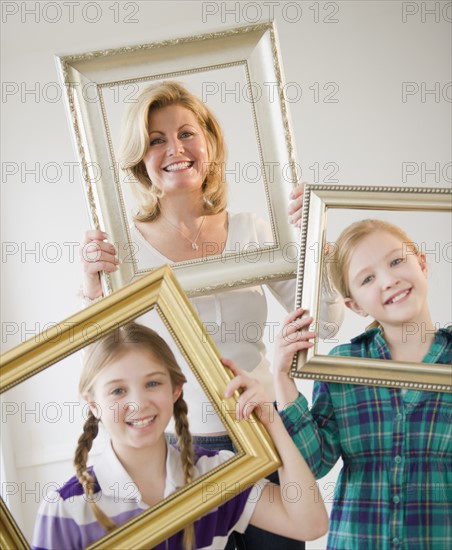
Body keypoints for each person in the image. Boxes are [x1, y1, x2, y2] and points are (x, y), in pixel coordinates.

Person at [80, 80, 344, 548]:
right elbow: (105, 359)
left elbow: (323, 323)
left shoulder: (252, 231)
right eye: (156, 140)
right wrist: (91, 285)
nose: (174, 149)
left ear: (209, 143)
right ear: (141, 159)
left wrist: (316, 246)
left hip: (264, 431)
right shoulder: (123, 250)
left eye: (186, 134)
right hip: (183, 448)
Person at [31, 322, 328, 550]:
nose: (138, 404)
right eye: (118, 390)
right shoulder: (66, 507)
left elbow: (310, 523)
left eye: (152, 383)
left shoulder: (215, 474)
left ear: (175, 390)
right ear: (94, 405)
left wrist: (271, 418)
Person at [272, 219, 452, 550]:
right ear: (354, 304)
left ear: (422, 263)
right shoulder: (344, 365)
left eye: (396, 261)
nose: (389, 280)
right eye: (367, 279)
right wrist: (282, 379)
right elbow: (314, 463)